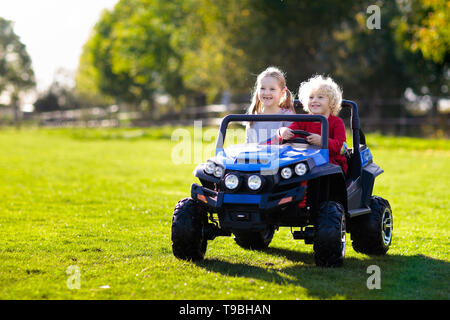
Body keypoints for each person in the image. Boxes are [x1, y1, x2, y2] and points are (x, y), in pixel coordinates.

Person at [278, 75, 348, 174]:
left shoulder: (336, 122)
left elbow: (342, 148)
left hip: (331, 164)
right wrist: (282, 132)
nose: (314, 100)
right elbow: (289, 133)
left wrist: (322, 141)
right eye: (311, 97)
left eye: (320, 97)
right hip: (305, 162)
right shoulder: (302, 120)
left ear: (331, 102)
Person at [245, 67, 295, 144]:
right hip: (258, 155)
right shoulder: (253, 119)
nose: (267, 92)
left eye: (272, 89)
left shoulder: (287, 116)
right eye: (262, 88)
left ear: (282, 93)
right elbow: (249, 147)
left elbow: (293, 145)